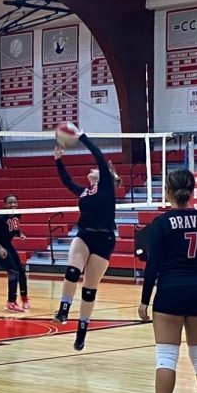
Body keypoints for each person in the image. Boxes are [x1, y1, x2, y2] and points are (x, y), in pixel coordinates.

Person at [137, 169, 197, 393]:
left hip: (170, 293)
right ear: (193, 191)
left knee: (166, 357)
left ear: (168, 192)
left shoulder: (160, 224)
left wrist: (144, 300)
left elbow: (153, 265)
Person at [53, 131, 121, 351]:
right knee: (72, 271)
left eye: (96, 170)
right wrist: (58, 160)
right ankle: (64, 309)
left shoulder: (106, 188)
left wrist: (81, 136)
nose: (92, 170)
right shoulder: (84, 192)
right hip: (84, 235)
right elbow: (66, 182)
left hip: (105, 239)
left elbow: (98, 155)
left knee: (89, 290)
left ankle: (82, 330)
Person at [0, 194, 30, 313]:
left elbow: (14, 227)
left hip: (7, 245)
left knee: (20, 271)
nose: (13, 205)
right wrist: (0, 248)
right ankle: (11, 303)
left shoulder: (18, 214)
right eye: (10, 203)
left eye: (15, 202)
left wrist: (19, 234)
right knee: (13, 271)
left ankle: (24, 298)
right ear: (5, 204)